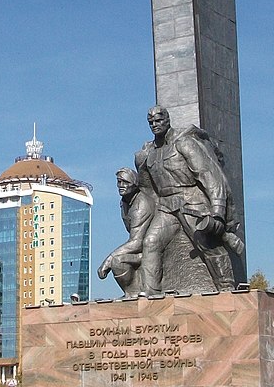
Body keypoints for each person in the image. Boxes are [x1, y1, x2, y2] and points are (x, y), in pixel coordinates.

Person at [135, 105, 237, 294]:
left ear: (168, 120)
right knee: (150, 242)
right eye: (151, 122)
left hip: (190, 201)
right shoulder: (149, 152)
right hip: (166, 206)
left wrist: (217, 211)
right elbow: (147, 187)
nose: (155, 125)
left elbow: (208, 175)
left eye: (158, 120)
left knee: (206, 244)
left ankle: (226, 286)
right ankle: (151, 293)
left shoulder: (184, 143)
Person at [97, 169, 155, 297]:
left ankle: (134, 293)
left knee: (117, 261)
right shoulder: (124, 201)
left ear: (135, 184)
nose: (121, 186)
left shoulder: (141, 205)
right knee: (117, 260)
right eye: (119, 182)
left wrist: (108, 260)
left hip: (150, 251)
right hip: (139, 248)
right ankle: (131, 293)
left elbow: (137, 242)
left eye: (126, 182)